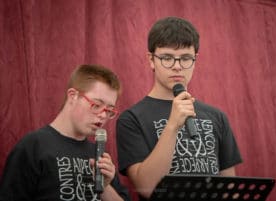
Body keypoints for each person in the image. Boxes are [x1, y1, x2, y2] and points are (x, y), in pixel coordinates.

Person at [116, 16, 243, 200]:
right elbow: (146, 188)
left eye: (185, 58)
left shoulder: (217, 116)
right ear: (151, 59)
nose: (177, 67)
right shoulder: (131, 119)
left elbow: (229, 186)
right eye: (167, 58)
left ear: (195, 60)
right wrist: (172, 125)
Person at [0, 64, 131, 201]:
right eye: (96, 105)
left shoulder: (100, 155)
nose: (103, 116)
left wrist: (105, 187)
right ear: (73, 96)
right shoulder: (33, 146)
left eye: (109, 110)